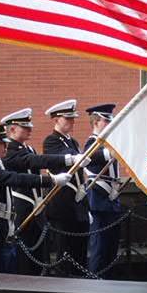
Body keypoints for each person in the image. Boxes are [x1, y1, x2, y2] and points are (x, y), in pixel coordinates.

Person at [1, 108, 85, 275]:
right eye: (25, 127)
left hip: (37, 207)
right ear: (12, 129)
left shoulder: (28, 148)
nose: (30, 129)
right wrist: (67, 159)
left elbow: (37, 160)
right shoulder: (9, 151)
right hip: (22, 208)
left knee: (40, 255)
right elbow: (33, 161)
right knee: (26, 258)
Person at [0, 124, 71, 273]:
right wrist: (52, 179)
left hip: (8, 221)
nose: (5, 147)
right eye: (1, 143)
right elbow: (17, 178)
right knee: (6, 267)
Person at [43, 99, 91, 277]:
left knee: (80, 250)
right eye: (67, 118)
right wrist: (75, 156)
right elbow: (60, 157)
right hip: (62, 204)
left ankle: (80, 278)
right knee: (65, 251)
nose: (72, 122)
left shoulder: (73, 142)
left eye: (72, 118)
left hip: (78, 203)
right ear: (56, 119)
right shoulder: (51, 141)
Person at [84, 104, 123, 278]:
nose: (109, 124)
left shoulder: (107, 144)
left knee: (111, 247)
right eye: (106, 121)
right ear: (96, 122)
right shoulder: (92, 143)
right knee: (99, 248)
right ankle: (96, 282)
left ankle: (109, 281)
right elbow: (93, 156)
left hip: (112, 199)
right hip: (98, 199)